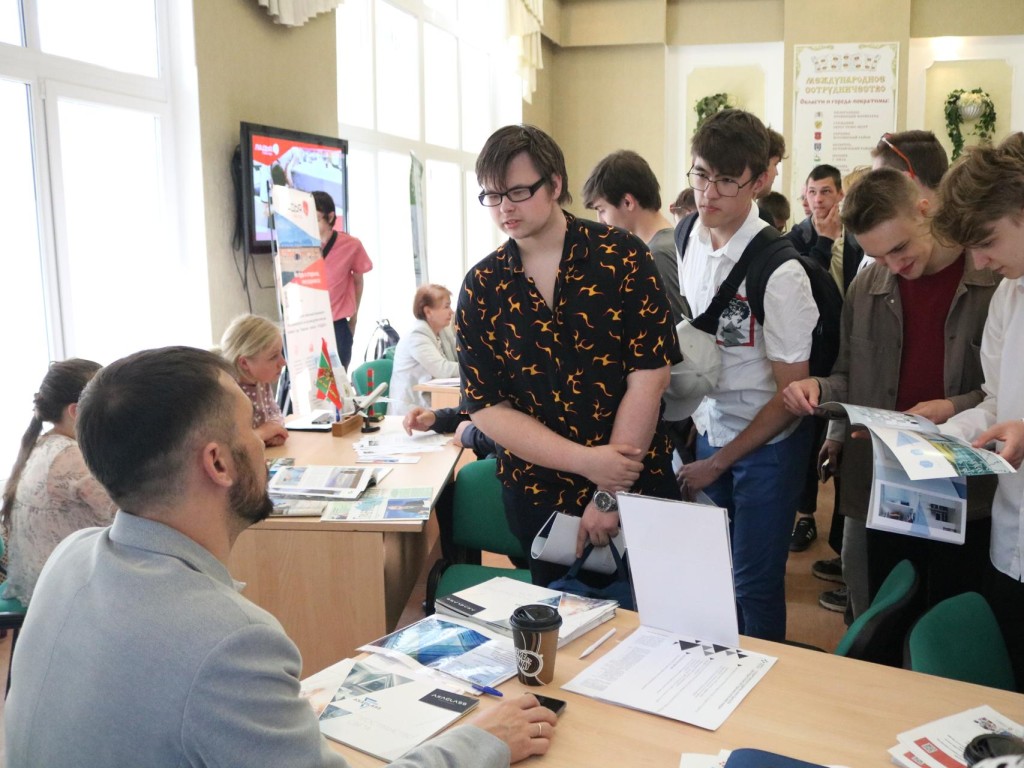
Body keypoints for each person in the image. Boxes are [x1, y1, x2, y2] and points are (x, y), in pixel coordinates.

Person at [5, 346, 558, 766]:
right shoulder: (229, 641)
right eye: (250, 424)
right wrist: (481, 741)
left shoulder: (73, 558)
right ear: (218, 463)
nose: (267, 440)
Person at [458, 124, 679, 587]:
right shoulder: (483, 286)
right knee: (562, 634)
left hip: (636, 483)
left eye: (518, 191)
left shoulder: (623, 257)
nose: (505, 209)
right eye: (492, 196)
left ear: (555, 184)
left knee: (651, 635)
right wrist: (586, 461)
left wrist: (606, 492)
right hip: (540, 496)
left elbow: (650, 376)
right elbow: (486, 406)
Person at [782, 167, 998, 621]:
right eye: (879, 256)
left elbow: (1004, 394)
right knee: (886, 610)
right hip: (887, 478)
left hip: (968, 484)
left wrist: (952, 408)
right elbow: (848, 374)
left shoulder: (990, 278)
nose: (896, 266)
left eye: (900, 248)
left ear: (924, 209)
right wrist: (818, 391)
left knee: (952, 613)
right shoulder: (868, 286)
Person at [674, 108, 818, 642]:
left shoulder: (780, 273)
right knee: (713, 578)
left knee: (754, 586)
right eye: (700, 174)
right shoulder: (688, 235)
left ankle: (763, 704)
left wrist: (717, 463)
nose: (709, 193)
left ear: (760, 181)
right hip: (711, 430)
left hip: (766, 447)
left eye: (726, 181)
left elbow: (791, 397)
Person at [933, 132, 1024, 689]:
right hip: (1011, 541)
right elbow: (996, 400)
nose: (982, 261)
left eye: (988, 240)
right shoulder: (1009, 296)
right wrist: (941, 434)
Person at [0, 359, 115, 605]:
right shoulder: (69, 456)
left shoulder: (43, 445)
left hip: (35, 583)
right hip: (60, 593)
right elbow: (122, 513)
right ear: (75, 411)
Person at [582, 149, 683, 325]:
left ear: (628, 202)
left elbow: (671, 336)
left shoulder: (656, 256)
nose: (600, 221)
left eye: (601, 210)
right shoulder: (668, 243)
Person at [313, 190, 373, 370]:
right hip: (308, 324)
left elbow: (358, 281)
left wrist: (354, 319)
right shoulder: (299, 245)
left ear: (330, 217)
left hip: (336, 323)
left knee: (337, 386)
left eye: (315, 219)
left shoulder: (351, 245)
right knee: (309, 387)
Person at [219, 313, 289, 447]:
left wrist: (275, 431)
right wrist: (262, 433)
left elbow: (275, 413)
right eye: (274, 357)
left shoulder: (261, 382)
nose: (283, 362)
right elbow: (231, 444)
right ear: (244, 363)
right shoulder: (227, 392)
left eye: (281, 353)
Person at [388, 284, 459, 416]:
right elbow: (443, 370)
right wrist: (477, 370)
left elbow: (459, 357)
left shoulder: (443, 329)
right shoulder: (417, 334)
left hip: (434, 400)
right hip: (411, 409)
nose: (452, 311)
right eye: (446, 306)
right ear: (428, 312)